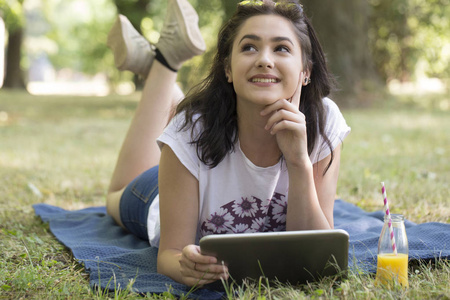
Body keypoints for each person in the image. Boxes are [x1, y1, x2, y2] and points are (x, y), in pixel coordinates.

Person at [106, 0, 351, 287]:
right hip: (163, 194)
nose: (264, 59)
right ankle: (164, 64)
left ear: (306, 71)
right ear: (228, 70)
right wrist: (185, 266)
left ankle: (155, 69)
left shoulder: (323, 121)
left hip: (196, 155)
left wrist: (298, 161)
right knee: (113, 197)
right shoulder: (192, 130)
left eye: (281, 48)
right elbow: (169, 255)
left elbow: (319, 256)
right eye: (249, 47)